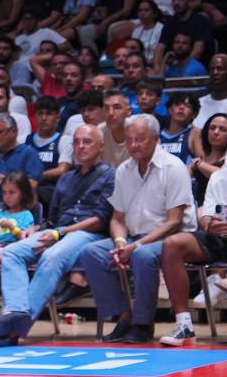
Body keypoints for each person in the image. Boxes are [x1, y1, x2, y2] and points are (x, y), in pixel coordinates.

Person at [0, 124, 115, 346]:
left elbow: (101, 219)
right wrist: (36, 229)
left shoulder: (111, 175)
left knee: (52, 257)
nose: (80, 146)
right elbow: (53, 218)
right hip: (57, 231)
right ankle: (15, 310)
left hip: (88, 234)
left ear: (101, 145)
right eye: (76, 141)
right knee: (12, 252)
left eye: (87, 141)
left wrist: (58, 232)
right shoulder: (66, 178)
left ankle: (16, 329)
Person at [77, 114, 196, 343]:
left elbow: (174, 221)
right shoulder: (123, 170)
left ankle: (143, 324)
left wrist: (136, 245)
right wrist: (121, 243)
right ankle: (124, 317)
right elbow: (117, 218)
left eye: (140, 139)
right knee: (91, 253)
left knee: (142, 255)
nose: (133, 145)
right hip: (132, 236)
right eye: (130, 140)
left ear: (155, 138)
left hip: (170, 238)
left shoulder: (173, 167)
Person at [159, 160, 227, 346]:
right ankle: (184, 326)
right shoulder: (219, 177)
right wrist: (211, 223)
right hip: (218, 237)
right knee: (172, 244)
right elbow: (206, 214)